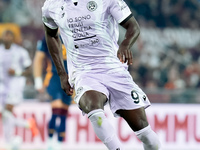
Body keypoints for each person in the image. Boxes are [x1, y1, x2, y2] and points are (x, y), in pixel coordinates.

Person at [41, 0, 161, 149]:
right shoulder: (51, 5)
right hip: (83, 72)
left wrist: (125, 44)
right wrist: (61, 73)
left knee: (144, 132)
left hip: (113, 68)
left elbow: (133, 26)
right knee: (94, 110)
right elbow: (51, 35)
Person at [0, 30, 38, 150]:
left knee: (7, 111)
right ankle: (26, 124)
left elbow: (29, 70)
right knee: (4, 114)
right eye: (5, 35)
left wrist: (16, 72)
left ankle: (10, 141)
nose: (7, 37)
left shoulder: (20, 52)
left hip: (14, 85)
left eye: (9, 35)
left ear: (13, 38)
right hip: (2, 85)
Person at [33, 35, 72, 149]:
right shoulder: (48, 36)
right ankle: (50, 141)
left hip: (70, 79)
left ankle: (59, 143)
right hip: (54, 77)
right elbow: (38, 58)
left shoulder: (72, 33)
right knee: (57, 108)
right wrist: (37, 80)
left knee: (64, 112)